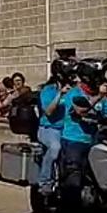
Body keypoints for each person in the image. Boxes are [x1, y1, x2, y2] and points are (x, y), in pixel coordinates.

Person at [57, 65, 107, 213]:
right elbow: (80, 111)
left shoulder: (101, 99)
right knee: (72, 185)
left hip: (95, 142)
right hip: (74, 142)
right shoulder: (74, 94)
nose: (100, 81)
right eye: (97, 77)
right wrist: (99, 96)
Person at [37, 64, 71, 196]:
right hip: (49, 129)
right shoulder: (48, 90)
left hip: (67, 128)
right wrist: (60, 94)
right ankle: (45, 181)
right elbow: (49, 111)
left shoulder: (73, 90)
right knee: (55, 148)